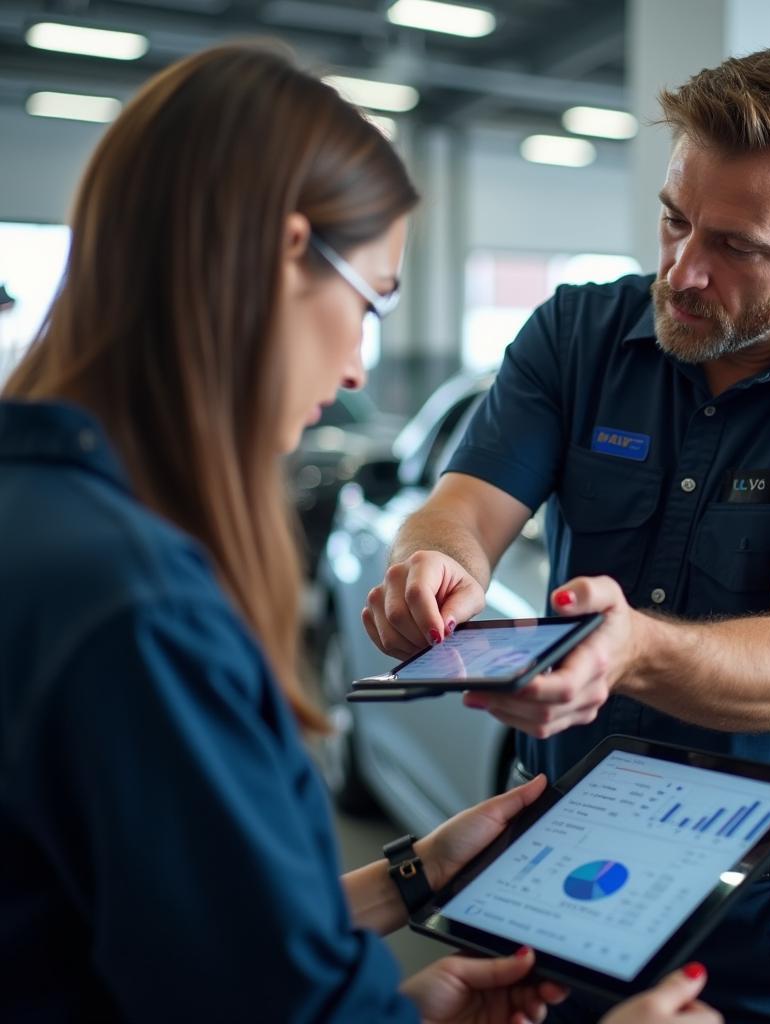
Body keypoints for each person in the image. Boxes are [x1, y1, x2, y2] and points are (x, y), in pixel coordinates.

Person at [0, 43, 721, 1024]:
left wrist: (416, 879)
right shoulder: (137, 603)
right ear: (287, 252)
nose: (353, 368)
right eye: (372, 298)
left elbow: (169, 947)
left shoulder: (42, 520)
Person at [364, 47, 770, 1024]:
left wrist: (630, 648)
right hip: (546, 867)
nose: (684, 272)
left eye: (735, 247)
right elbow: (462, 510)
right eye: (674, 221)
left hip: (757, 913)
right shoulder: (577, 334)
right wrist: (432, 559)